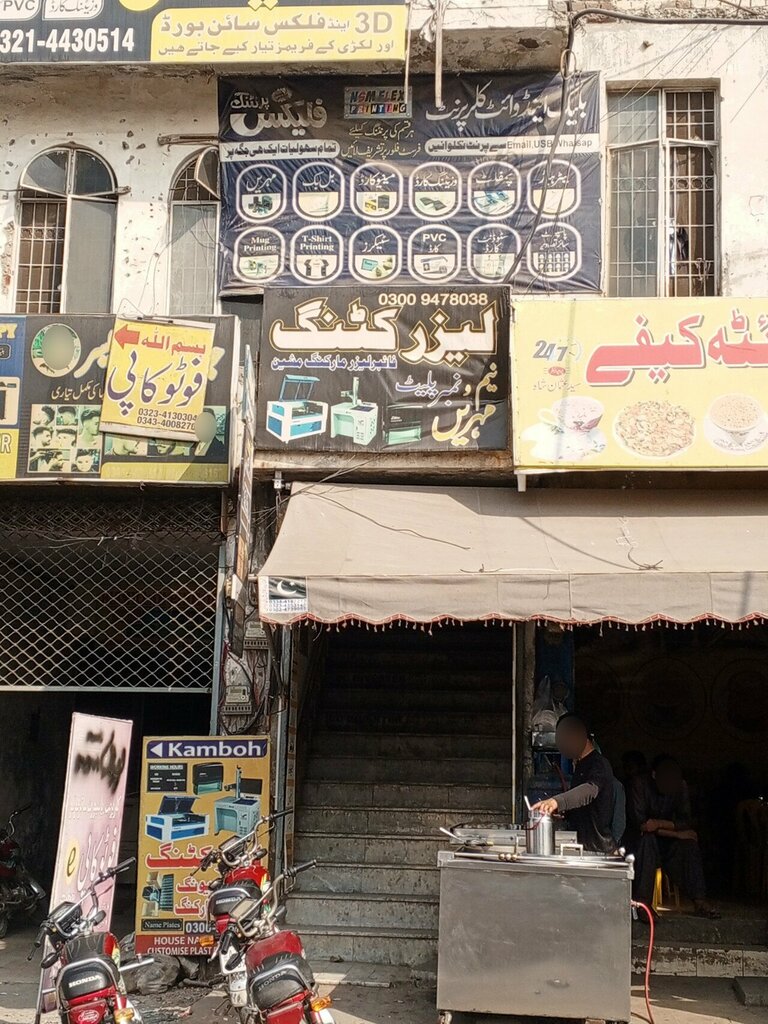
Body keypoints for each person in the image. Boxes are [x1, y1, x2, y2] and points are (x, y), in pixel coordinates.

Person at [628, 754, 719, 918]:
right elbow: (642, 825)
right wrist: (676, 832)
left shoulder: (680, 787)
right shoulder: (640, 784)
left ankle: (699, 900)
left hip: (668, 841)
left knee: (689, 846)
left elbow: (685, 821)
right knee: (647, 842)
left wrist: (661, 825)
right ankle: (642, 905)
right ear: (655, 775)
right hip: (640, 843)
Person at [532, 712, 616, 854]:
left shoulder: (599, 763)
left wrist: (556, 802)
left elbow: (590, 791)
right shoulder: (579, 764)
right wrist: (564, 812)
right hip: (582, 846)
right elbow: (585, 807)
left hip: (598, 849)